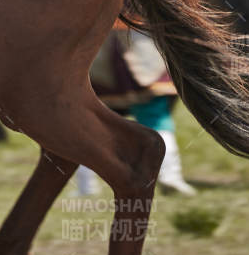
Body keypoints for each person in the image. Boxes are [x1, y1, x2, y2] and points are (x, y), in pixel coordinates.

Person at [75, 21, 196, 196]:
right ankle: (170, 176)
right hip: (142, 49)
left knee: (91, 124)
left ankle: (86, 186)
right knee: (155, 118)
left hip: (102, 51)